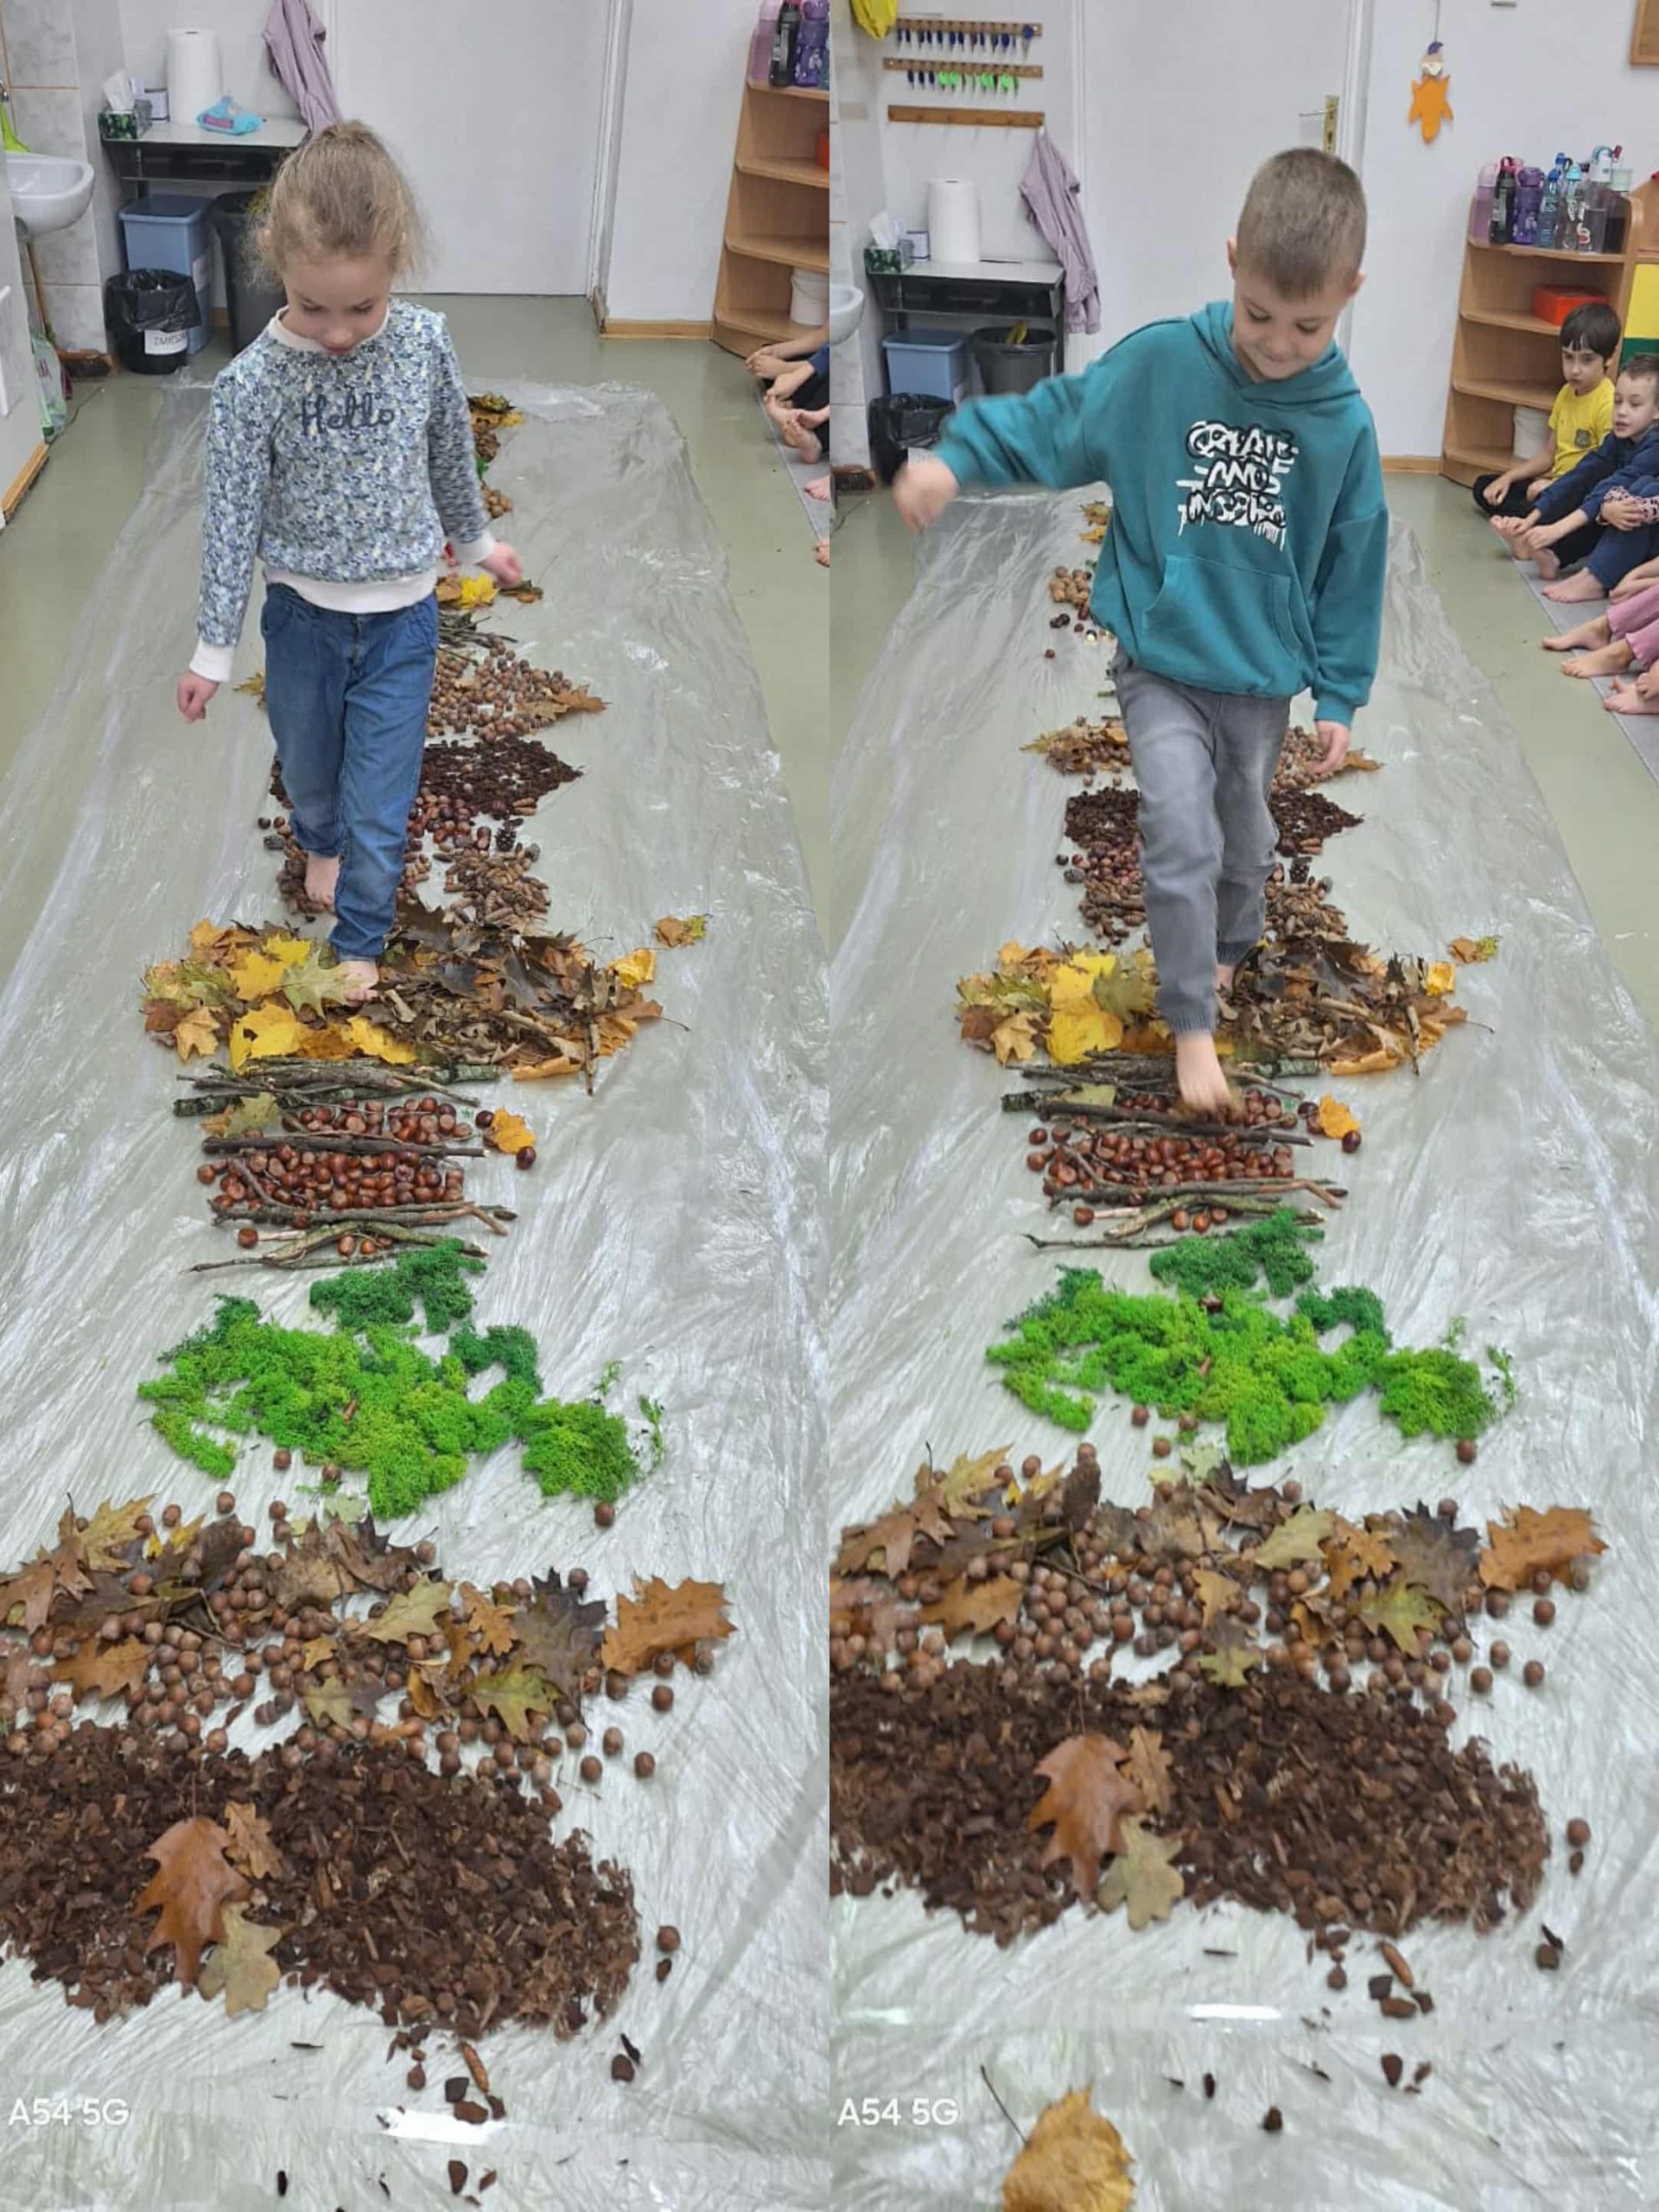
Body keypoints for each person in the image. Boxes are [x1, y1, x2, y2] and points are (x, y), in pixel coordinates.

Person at [892, 148, 1386, 1116]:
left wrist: (1339, 689)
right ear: (1233, 262)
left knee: (1245, 840)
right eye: (1258, 315)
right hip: (1159, 661)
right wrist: (956, 459)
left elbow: (1352, 560)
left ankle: (1228, 946)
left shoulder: (1343, 424)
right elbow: (1061, 418)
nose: (1278, 345)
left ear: (1350, 295)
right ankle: (1191, 1019)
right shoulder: (1164, 365)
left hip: (1259, 680)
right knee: (1180, 829)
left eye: (1309, 326)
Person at [174, 120, 521, 1004]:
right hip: (303, 622)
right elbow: (231, 522)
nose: (337, 332)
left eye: (361, 308)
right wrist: (213, 650)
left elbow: (450, 453)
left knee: (380, 796)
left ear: (395, 264)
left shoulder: (423, 345)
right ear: (276, 264)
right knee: (311, 772)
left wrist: (477, 544)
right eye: (313, 306)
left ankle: (361, 935)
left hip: (404, 619)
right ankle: (318, 842)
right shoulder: (251, 386)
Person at [1492, 355, 1659, 601]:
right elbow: (1583, 474)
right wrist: (1532, 518)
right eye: (1617, 401)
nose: (1622, 412)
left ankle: (1595, 579)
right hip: (1625, 524)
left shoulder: (1655, 446)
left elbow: (1619, 483)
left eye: (1635, 404)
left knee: (1633, 494)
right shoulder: (1619, 439)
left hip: (1649, 541)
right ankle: (1551, 555)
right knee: (1589, 484)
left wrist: (1557, 529)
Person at [1471, 302, 1619, 518]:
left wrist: (1556, 487)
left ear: (1609, 357)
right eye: (1568, 357)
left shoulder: (1608, 404)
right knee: (1484, 486)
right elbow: (1548, 455)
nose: (1575, 370)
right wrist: (1508, 477)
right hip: (1555, 486)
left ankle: (1534, 517)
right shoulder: (1566, 393)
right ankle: (1533, 514)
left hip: (1581, 494)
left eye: (1587, 360)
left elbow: (1605, 472)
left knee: (1540, 506)